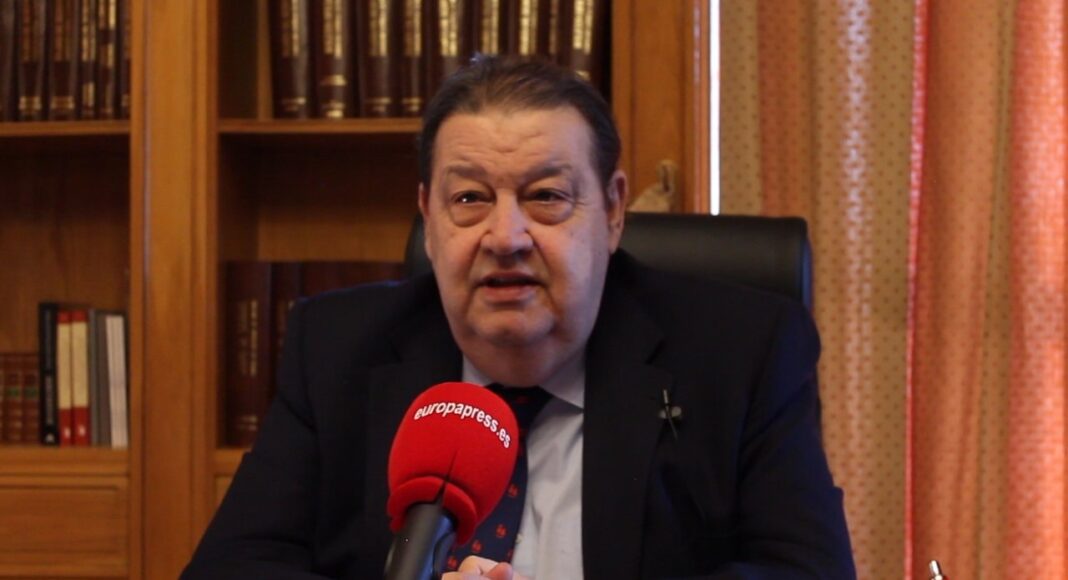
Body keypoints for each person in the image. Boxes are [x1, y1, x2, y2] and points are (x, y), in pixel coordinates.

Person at [182, 56, 855, 579]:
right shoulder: (337, 349)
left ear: (612, 211)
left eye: (546, 196)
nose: (505, 237)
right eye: (470, 199)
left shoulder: (742, 351)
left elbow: (807, 573)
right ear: (427, 216)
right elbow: (231, 569)